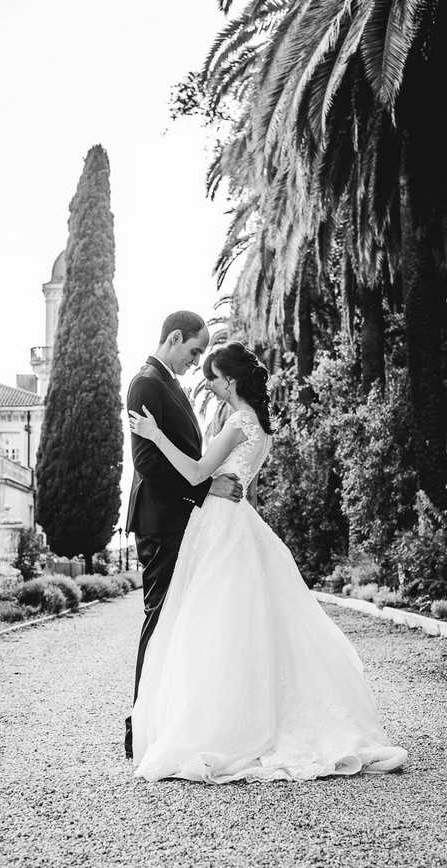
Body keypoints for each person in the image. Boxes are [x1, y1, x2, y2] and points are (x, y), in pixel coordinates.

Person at [128, 341, 408, 783]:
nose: (212, 388)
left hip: (221, 525)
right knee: (240, 622)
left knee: (215, 622)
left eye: (214, 380)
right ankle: (250, 714)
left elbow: (198, 474)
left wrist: (155, 435)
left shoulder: (239, 421)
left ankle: (226, 725)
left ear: (231, 380)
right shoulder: (261, 425)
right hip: (237, 521)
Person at [124, 312, 243, 760]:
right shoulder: (144, 384)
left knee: (178, 619)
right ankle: (140, 724)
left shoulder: (167, 383)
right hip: (159, 521)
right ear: (174, 337)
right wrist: (205, 485)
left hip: (180, 518)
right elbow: (148, 464)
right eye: (194, 351)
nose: (196, 363)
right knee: (159, 617)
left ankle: (166, 718)